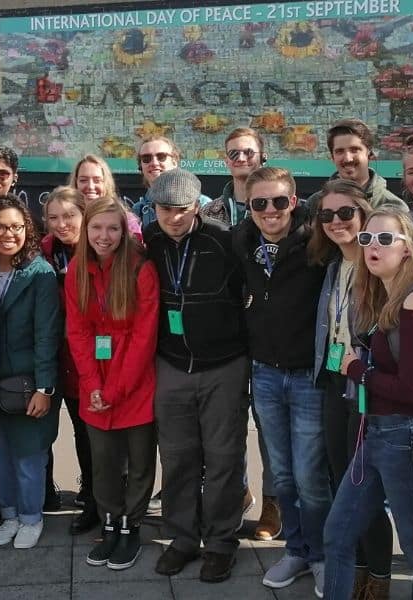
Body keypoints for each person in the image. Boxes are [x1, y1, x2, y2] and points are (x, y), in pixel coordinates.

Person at [323, 206, 413, 600]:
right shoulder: (389, 295)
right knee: (337, 536)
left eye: (384, 239)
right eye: (366, 239)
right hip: (374, 432)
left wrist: (356, 369)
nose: (372, 247)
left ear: (408, 247)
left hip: (406, 437)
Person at [142, 170, 249, 583]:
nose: (173, 218)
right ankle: (183, 539)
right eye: (165, 210)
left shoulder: (224, 239)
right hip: (170, 363)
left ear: (197, 207)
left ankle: (221, 543)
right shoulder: (149, 240)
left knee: (223, 459)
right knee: (177, 457)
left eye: (182, 210)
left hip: (224, 363)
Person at [233, 166, 331, 595]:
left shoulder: (317, 243)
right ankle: (296, 549)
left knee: (311, 475)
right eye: (259, 203)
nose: (270, 211)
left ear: (294, 201)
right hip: (266, 374)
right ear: (248, 207)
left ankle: (323, 554)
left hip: (308, 375)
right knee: (284, 474)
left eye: (278, 201)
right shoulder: (241, 241)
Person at [307, 179, 397, 598]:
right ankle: (359, 565)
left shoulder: (377, 264)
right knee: (342, 480)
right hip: (334, 385)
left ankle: (379, 573)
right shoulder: (333, 267)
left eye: (346, 213)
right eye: (327, 215)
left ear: (363, 216)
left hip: (367, 387)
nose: (336, 222)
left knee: (364, 486)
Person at [64, 197, 160, 571]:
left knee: (139, 462)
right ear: (86, 229)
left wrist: (117, 388)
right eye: (97, 228)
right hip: (96, 382)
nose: (104, 236)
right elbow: (78, 330)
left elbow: (143, 336)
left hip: (134, 380)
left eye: (112, 228)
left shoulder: (140, 269)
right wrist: (92, 385)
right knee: (102, 462)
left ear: (124, 231)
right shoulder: (77, 270)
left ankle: (131, 524)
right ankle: (109, 522)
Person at [198, 128, 282, 541]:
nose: (241, 158)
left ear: (262, 156)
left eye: (249, 152)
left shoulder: (276, 208)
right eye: (234, 153)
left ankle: (274, 502)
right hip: (225, 333)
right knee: (227, 423)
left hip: (270, 334)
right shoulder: (210, 212)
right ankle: (239, 491)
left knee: (270, 426)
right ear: (225, 159)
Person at [0, 194, 63, 550]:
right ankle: (10, 515)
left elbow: (47, 334)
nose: (8, 234)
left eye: (16, 226)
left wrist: (45, 387)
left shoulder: (39, 273)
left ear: (27, 230)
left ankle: (31, 517)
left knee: (29, 456)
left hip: (27, 382)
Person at [40, 186, 100, 535]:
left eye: (69, 216)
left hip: (90, 356)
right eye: (54, 218)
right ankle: (44, 492)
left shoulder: (98, 249)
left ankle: (94, 498)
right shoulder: (45, 253)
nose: (62, 224)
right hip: (54, 355)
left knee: (87, 433)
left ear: (83, 215)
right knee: (47, 431)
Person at [309, 119, 406, 210]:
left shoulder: (394, 207)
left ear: (369, 153)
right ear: (332, 157)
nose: (348, 158)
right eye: (339, 151)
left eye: (354, 150)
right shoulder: (314, 204)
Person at [130, 136, 211, 225]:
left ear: (174, 161)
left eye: (161, 156)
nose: (154, 163)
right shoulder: (137, 211)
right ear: (141, 165)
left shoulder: (203, 204)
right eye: (146, 158)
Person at [69, 154, 143, 241]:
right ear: (75, 183)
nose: (90, 186)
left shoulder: (127, 221)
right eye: (83, 180)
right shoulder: (65, 220)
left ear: (106, 183)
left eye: (97, 180)